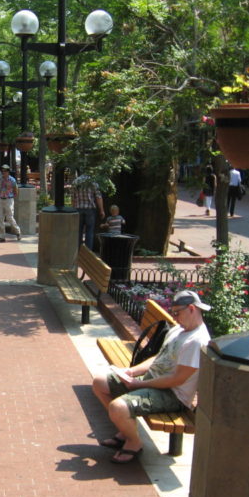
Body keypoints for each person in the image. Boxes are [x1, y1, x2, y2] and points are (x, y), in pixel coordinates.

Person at [91, 290, 211, 464]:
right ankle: (126, 430)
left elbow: (177, 380)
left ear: (191, 308)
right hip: (151, 381)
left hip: (172, 394)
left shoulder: (197, 341)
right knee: (100, 382)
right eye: (173, 313)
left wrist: (139, 385)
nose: (175, 318)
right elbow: (159, 358)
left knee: (118, 408)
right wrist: (132, 372)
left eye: (177, 313)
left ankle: (134, 442)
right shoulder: (179, 330)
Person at [71, 174, 104, 250]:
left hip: (78, 209)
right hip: (90, 210)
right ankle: (88, 253)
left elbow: (73, 198)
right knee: (89, 232)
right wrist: (101, 210)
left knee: (78, 232)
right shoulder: (93, 182)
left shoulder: (75, 182)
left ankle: (78, 252)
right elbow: (98, 197)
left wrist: (73, 209)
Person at [0, 164, 21, 243]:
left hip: (9, 199)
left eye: (5, 171)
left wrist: (11, 197)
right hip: (0, 199)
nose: (3, 172)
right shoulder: (0, 180)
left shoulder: (12, 180)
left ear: (8, 172)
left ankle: (17, 231)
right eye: (2, 171)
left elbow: (16, 190)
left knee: (9, 217)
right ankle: (1, 236)